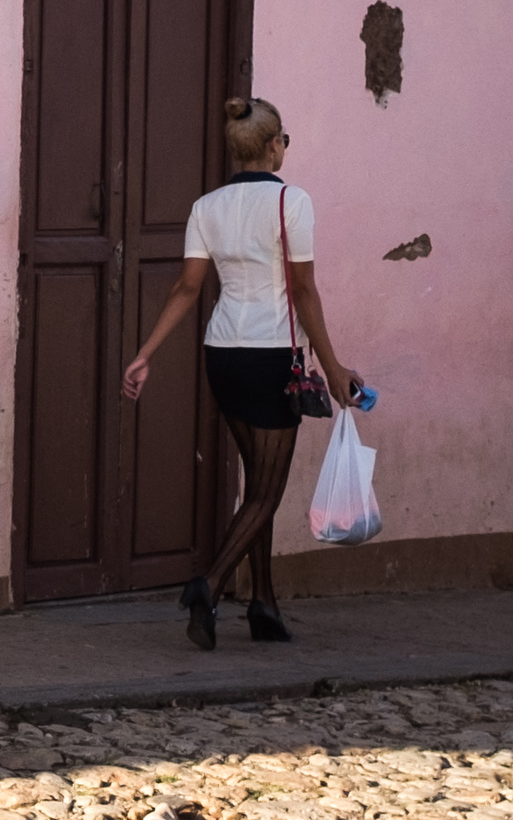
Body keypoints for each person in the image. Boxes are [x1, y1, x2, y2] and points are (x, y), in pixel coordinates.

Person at [122, 97, 360, 651]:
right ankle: (207, 585)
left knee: (258, 488)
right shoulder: (292, 201)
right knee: (266, 493)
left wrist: (145, 352)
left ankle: (264, 605)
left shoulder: (207, 207)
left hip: (223, 354)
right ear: (274, 146)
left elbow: (187, 287)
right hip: (271, 358)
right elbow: (303, 291)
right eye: (285, 141)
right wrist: (334, 368)